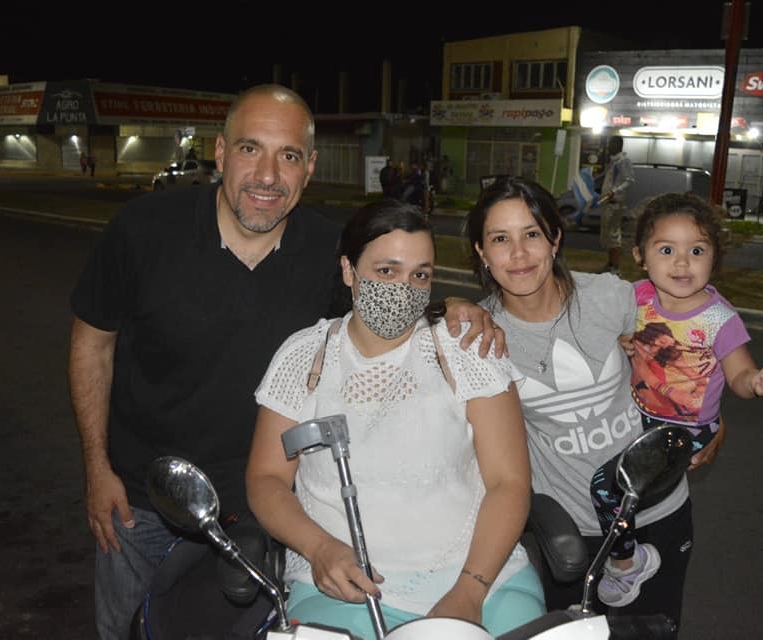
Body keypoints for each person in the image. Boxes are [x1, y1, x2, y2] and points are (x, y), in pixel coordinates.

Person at [67, 84, 502, 639]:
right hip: (144, 501)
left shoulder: (328, 251)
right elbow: (92, 344)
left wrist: (452, 306)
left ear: (309, 167)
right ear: (220, 152)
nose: (268, 175)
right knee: (129, 630)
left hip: (268, 510)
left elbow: (388, 308)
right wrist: (96, 467)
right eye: (250, 149)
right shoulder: (143, 230)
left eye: (289, 156)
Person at [246, 199, 546, 640]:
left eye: (420, 275)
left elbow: (509, 482)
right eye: (387, 271)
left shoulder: (468, 351)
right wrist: (318, 548)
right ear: (349, 270)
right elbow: (266, 477)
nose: (404, 288)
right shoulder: (304, 358)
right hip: (340, 586)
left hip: (483, 579)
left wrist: (470, 589)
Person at [465, 176, 723, 633]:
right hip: (572, 530)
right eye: (500, 239)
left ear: (555, 239)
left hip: (658, 511)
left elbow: (692, 346)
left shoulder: (611, 297)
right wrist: (451, 303)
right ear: (482, 252)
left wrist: (714, 421)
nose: (519, 254)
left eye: (532, 234)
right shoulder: (480, 335)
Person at [587, 192, 763, 609]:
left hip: (687, 430)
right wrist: (622, 341)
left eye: (697, 251)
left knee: (607, 489)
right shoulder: (637, 297)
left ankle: (627, 565)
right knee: (614, 481)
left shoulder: (719, 319)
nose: (682, 263)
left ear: (714, 258)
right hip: (639, 414)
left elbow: (739, 375)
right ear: (640, 256)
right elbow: (612, 332)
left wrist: (756, 382)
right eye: (666, 250)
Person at [598, 135, 635, 274]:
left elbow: (629, 180)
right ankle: (611, 263)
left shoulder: (624, 161)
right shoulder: (613, 162)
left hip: (615, 203)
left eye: (610, 145)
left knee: (613, 235)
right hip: (607, 203)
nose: (608, 148)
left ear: (618, 146)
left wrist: (614, 191)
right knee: (607, 235)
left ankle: (615, 267)